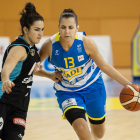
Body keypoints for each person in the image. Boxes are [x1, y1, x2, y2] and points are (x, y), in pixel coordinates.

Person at [38, 9, 132, 140]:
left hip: (93, 86)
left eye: (71, 27)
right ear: (58, 27)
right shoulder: (49, 46)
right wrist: (48, 75)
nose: (67, 31)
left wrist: (129, 85)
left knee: (99, 134)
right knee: (81, 128)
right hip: (67, 91)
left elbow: (104, 66)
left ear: (77, 28)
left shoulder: (86, 43)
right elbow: (30, 68)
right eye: (63, 27)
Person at [0, 2, 45, 140]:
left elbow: (27, 71)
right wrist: (6, 79)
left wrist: (50, 75)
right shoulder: (19, 48)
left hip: (20, 106)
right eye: (36, 29)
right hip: (3, 100)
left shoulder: (33, 49)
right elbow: (7, 67)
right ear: (25, 29)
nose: (40, 34)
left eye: (42, 29)